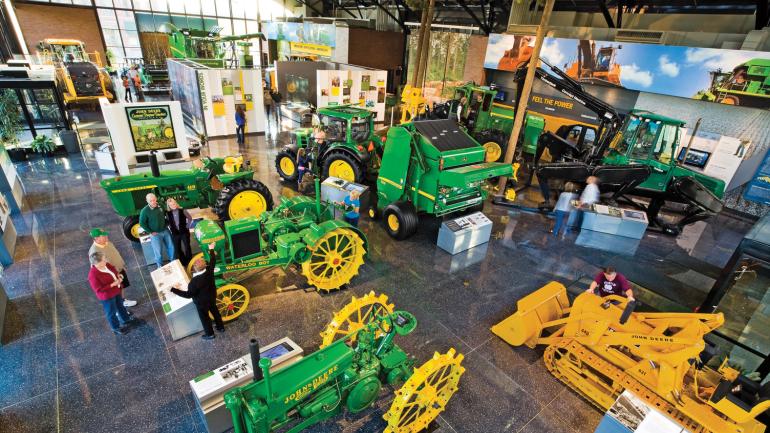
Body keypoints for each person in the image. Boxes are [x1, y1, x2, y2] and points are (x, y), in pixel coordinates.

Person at [171, 243, 224, 340]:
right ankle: (220, 327)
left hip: (201, 303)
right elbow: (213, 260)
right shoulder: (209, 270)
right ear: (205, 266)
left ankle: (210, 334)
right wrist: (211, 249)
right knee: (215, 311)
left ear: (195, 268)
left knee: (205, 318)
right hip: (212, 297)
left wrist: (174, 289)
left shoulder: (194, 282)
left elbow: (188, 295)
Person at [88, 228, 137, 308]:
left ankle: (122, 301)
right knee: (115, 291)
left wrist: (122, 265)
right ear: (96, 238)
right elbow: (97, 268)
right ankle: (118, 307)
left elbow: (116, 254)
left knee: (121, 286)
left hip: (119, 269)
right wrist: (114, 273)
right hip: (111, 274)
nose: (106, 236)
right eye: (103, 236)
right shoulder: (94, 251)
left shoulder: (108, 243)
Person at [88, 251, 133, 335]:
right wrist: (112, 284)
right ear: (98, 262)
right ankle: (116, 327)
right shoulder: (93, 275)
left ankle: (125, 319)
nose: (106, 260)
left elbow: (113, 269)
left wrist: (118, 275)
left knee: (120, 306)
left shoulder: (106, 265)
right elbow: (99, 289)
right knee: (111, 312)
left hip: (116, 290)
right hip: (107, 296)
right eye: (104, 259)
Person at [139, 193, 175, 268]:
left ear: (156, 199)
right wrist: (150, 232)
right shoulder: (145, 211)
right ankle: (160, 266)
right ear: (147, 201)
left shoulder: (160, 205)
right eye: (151, 201)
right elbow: (142, 223)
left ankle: (173, 262)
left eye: (154, 200)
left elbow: (166, 214)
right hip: (155, 234)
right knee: (158, 252)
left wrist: (167, 223)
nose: (153, 202)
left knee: (171, 247)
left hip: (165, 230)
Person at [165, 198, 191, 265]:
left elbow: (190, 218)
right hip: (175, 233)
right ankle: (183, 261)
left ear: (176, 203)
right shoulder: (168, 213)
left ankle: (189, 261)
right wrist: (171, 228)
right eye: (171, 205)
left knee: (187, 247)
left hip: (184, 232)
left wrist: (187, 226)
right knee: (177, 248)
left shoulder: (182, 210)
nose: (173, 206)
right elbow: (168, 222)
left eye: (174, 204)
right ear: (169, 206)